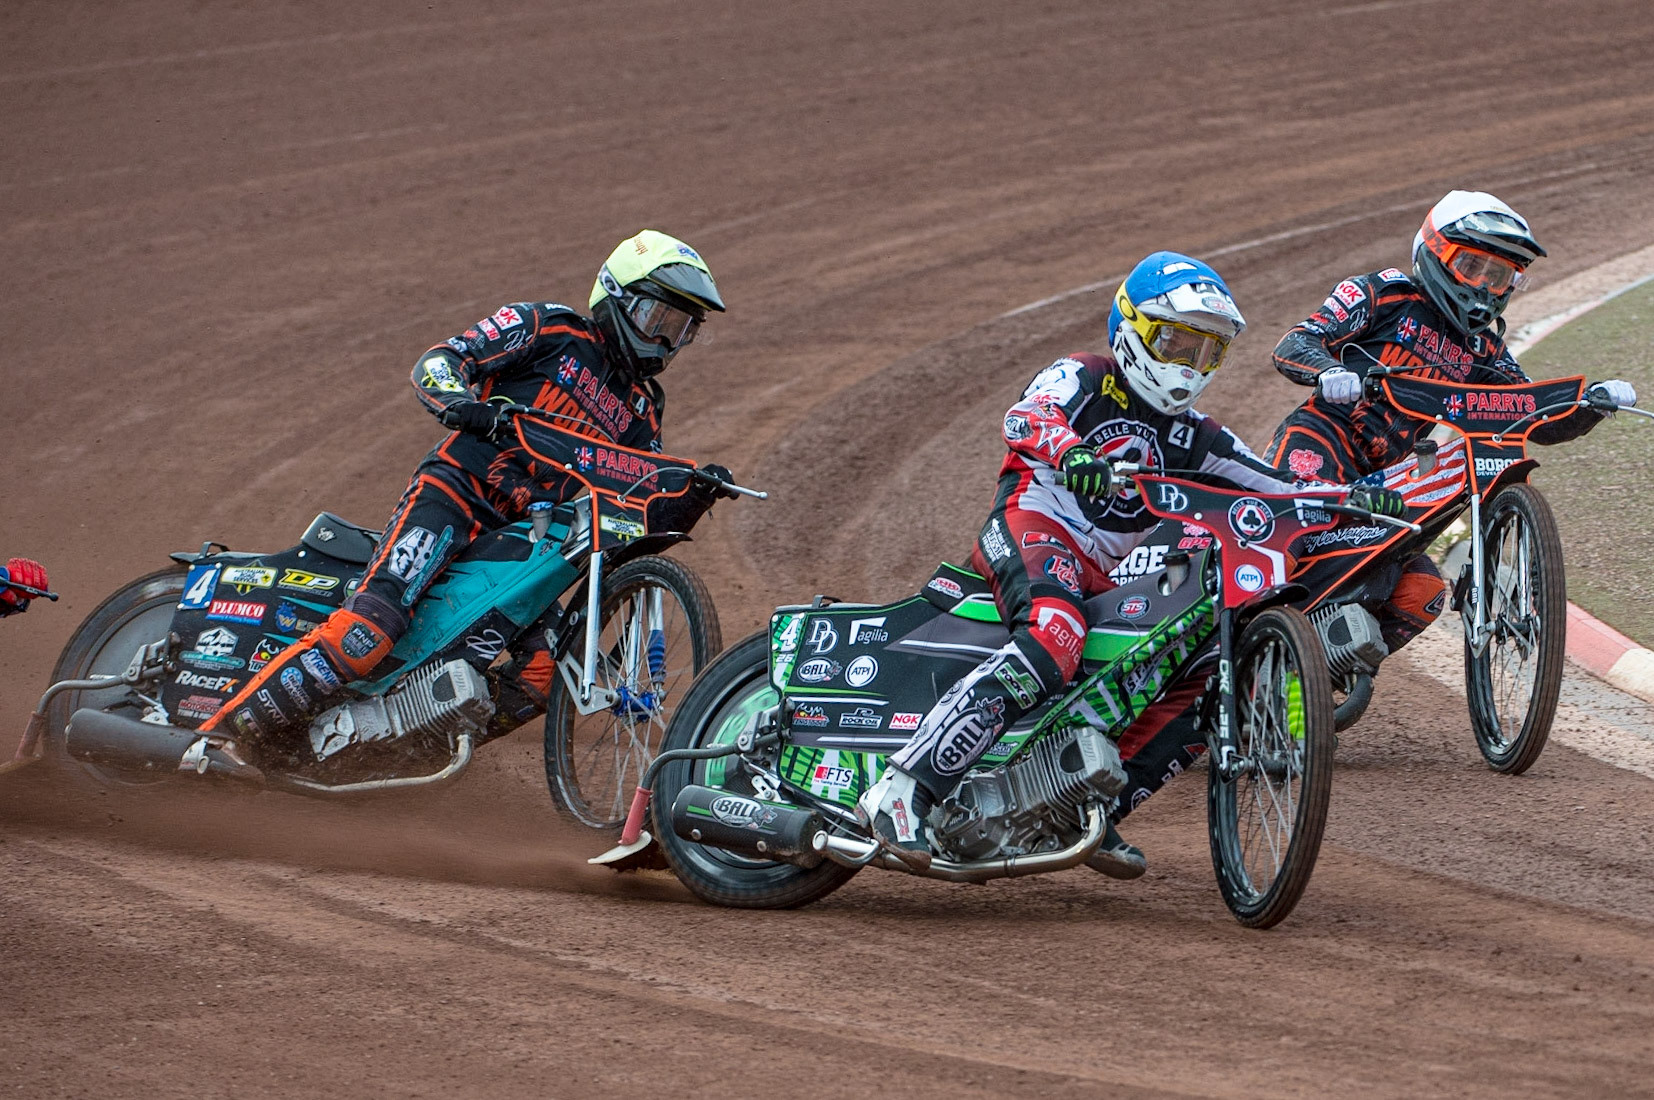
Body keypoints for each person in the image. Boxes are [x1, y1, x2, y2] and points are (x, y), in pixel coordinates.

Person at [856, 251, 1403, 874]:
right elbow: (1026, 416)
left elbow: (1275, 485)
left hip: (1103, 572)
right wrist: (1072, 453)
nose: (1190, 364)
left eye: (1208, 351)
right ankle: (904, 788)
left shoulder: (1196, 434)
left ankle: (1085, 806)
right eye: (1178, 342)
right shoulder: (1085, 375)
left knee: (1184, 666)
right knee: (1056, 633)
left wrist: (1354, 497)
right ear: (1133, 328)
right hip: (1032, 523)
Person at [201, 230, 735, 746]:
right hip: (455, 493)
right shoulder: (549, 327)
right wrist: (460, 403)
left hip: (525, 541)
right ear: (616, 296)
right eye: (658, 318)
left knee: (544, 673)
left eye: (681, 329)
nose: (665, 340)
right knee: (371, 627)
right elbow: (442, 360)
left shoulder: (644, 407)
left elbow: (632, 503)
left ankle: (390, 752)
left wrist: (689, 498)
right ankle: (219, 737)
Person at [1264, 190, 1637, 653]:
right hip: (1322, 439)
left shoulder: (1486, 351)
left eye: (1498, 276)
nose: (1483, 286)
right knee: (1283, 541)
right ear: (1435, 252)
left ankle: (1327, 670)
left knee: (1421, 593)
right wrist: (1328, 371)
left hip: (1393, 480)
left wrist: (1591, 404)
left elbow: (1534, 416)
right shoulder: (1382, 293)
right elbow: (1296, 341)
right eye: (1471, 266)